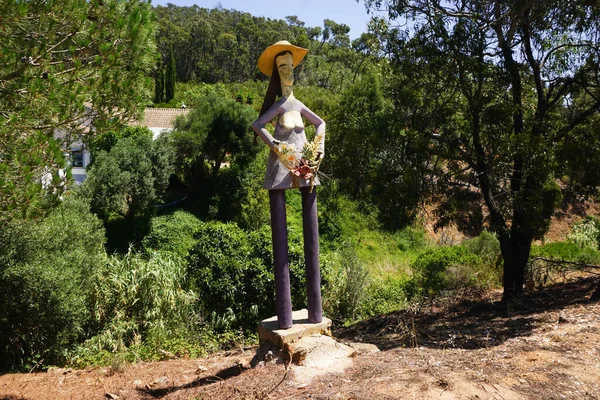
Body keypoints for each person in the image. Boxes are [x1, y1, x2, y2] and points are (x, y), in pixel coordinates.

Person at [252, 41, 325, 329]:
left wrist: (318, 147)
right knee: (280, 239)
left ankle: (315, 313)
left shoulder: (298, 104)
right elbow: (258, 125)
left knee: (312, 234)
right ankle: (285, 318)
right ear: (276, 72)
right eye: (282, 67)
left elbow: (321, 124)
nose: (287, 72)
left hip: (306, 165)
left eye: (290, 67)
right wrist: (277, 147)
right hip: (281, 168)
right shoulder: (280, 106)